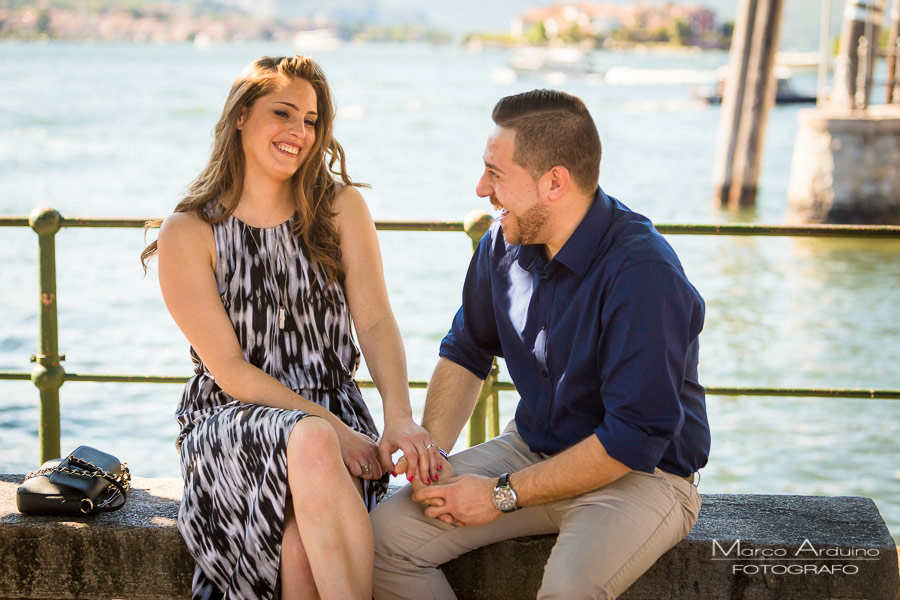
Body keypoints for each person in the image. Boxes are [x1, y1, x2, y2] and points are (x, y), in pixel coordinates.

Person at [371, 89, 711, 600]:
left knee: (568, 591)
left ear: (554, 182)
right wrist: (434, 455)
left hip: (642, 477)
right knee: (380, 539)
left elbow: (633, 438)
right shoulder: (501, 243)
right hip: (532, 449)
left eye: (496, 173)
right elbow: (467, 350)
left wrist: (499, 495)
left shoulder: (644, 273)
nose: (481, 187)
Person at [141, 55, 442, 600]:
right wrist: (336, 431)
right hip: (231, 424)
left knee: (301, 551)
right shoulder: (189, 232)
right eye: (283, 113)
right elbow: (230, 371)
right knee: (311, 439)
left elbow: (374, 320)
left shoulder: (339, 208)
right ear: (240, 116)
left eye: (310, 120)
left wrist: (397, 416)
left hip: (335, 416)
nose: (298, 132)